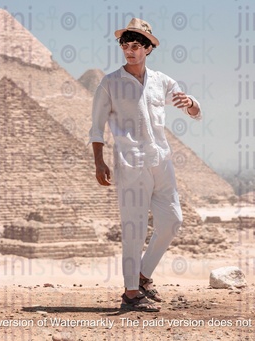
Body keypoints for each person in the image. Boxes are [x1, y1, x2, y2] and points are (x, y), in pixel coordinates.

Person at [88, 18, 202, 312]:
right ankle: (130, 293)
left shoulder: (162, 81)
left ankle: (143, 274)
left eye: (136, 45)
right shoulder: (109, 83)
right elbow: (96, 128)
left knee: (173, 220)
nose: (129, 50)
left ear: (149, 48)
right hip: (130, 164)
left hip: (161, 161)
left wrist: (190, 103)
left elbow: (192, 108)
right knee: (134, 229)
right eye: (125, 44)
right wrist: (99, 162)